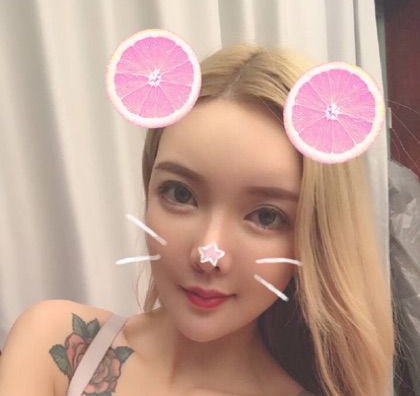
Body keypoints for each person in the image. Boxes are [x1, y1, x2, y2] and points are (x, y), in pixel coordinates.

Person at [0, 43, 395, 396]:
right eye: (180, 194)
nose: (209, 254)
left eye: (266, 216)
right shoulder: (56, 345)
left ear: (313, 239)